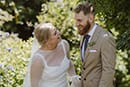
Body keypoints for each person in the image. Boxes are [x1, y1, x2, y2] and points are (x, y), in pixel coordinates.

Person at [74, 1, 116, 87]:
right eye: (76, 20)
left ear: (91, 18)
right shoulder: (83, 37)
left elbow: (108, 71)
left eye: (79, 20)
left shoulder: (105, 38)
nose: (76, 24)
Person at [23, 23, 78, 87]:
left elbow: (69, 63)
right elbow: (34, 85)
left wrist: (74, 78)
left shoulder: (64, 45)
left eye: (56, 30)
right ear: (46, 41)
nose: (59, 33)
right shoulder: (38, 59)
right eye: (55, 33)